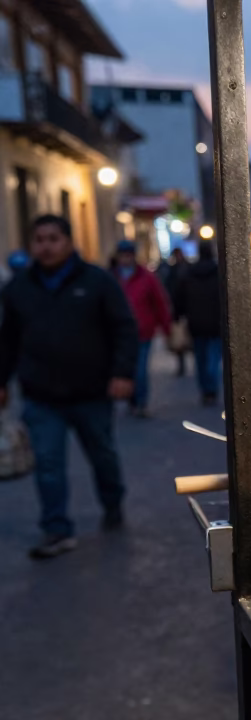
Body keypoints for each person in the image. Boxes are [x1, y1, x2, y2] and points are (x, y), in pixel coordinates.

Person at [0, 215, 138, 559]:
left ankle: (112, 502)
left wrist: (122, 373)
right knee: (47, 463)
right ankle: (56, 529)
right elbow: (6, 341)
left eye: (53, 239)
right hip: (41, 395)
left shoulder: (96, 281)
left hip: (91, 392)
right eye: (39, 239)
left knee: (102, 454)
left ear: (69, 242)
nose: (45, 246)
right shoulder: (18, 288)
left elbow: (124, 328)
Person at [111, 240, 172, 417]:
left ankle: (140, 402)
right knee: (126, 368)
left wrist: (166, 327)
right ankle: (132, 398)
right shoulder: (112, 277)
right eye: (123, 255)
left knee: (141, 368)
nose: (125, 259)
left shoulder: (147, 277)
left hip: (143, 330)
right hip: (119, 334)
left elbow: (159, 302)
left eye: (128, 255)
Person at [174, 242, 222, 406]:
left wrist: (179, 316)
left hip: (195, 323)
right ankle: (212, 388)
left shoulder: (188, 274)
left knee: (200, 358)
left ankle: (205, 389)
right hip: (216, 323)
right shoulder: (219, 274)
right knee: (213, 358)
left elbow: (179, 298)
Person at [164, 249, 192, 376]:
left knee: (188, 337)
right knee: (179, 338)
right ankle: (181, 364)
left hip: (188, 309)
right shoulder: (173, 270)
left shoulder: (187, 269)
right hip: (177, 309)